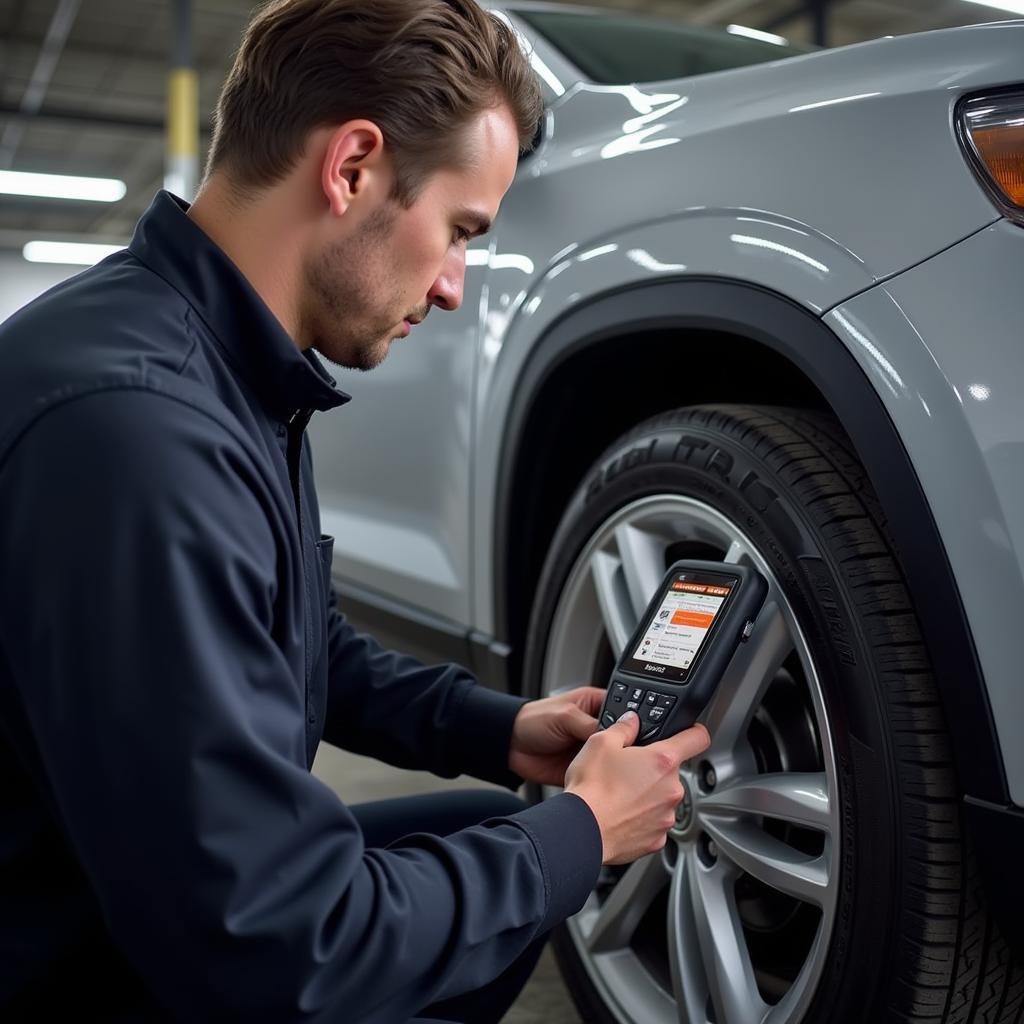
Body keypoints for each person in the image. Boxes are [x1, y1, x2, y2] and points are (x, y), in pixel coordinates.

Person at [0, 1, 711, 1020]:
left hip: (117, 880)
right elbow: (276, 944)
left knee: (475, 824)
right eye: (460, 231)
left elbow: (293, 641)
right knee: (497, 879)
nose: (458, 286)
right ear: (353, 168)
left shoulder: (208, 364)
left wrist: (501, 727)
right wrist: (584, 832)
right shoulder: (135, 435)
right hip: (74, 952)